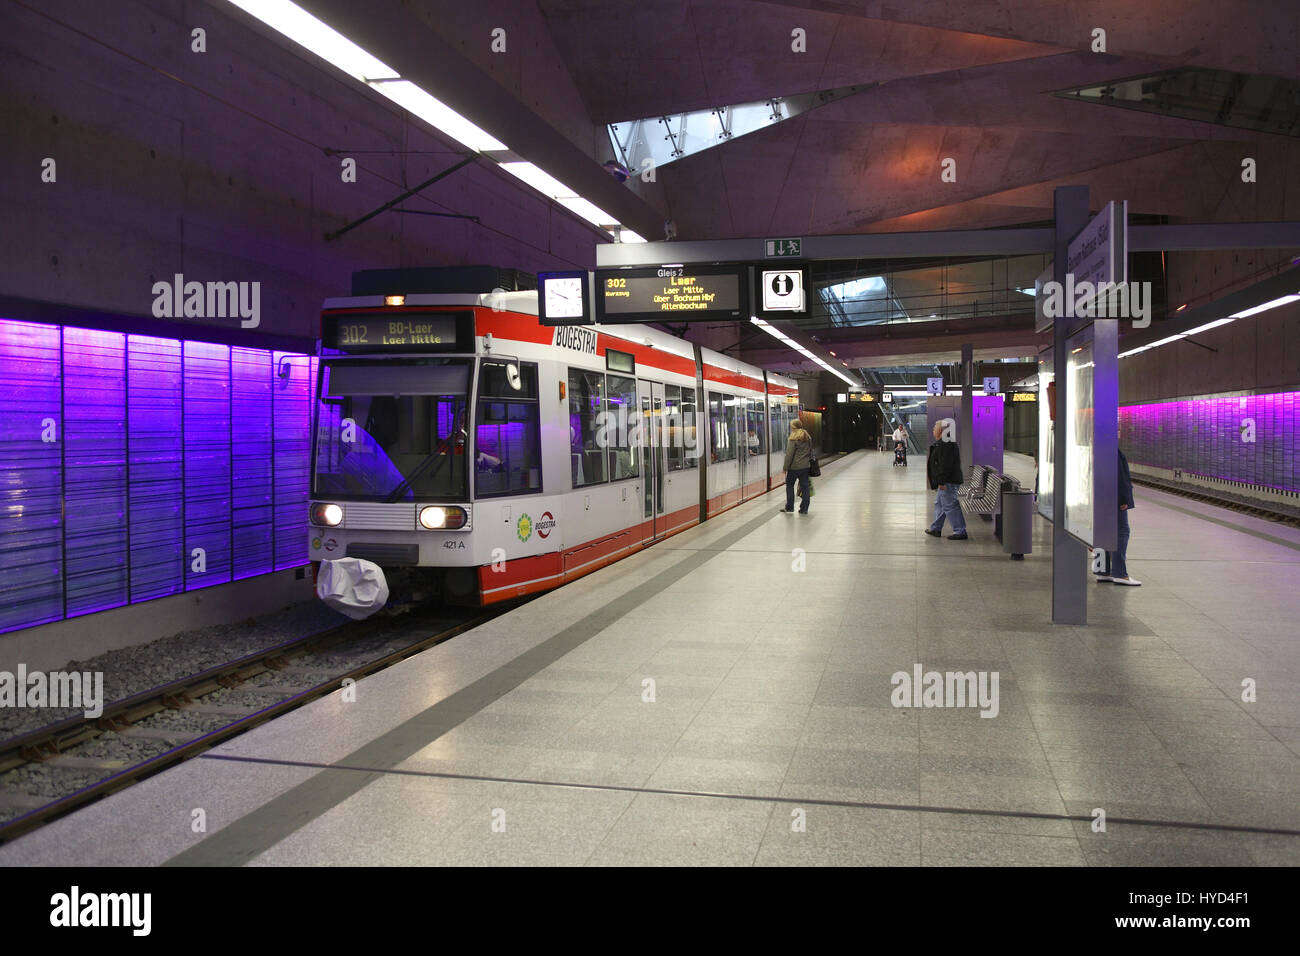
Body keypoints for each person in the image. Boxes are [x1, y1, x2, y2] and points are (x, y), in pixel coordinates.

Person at [1096, 449, 1140, 586]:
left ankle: (1103, 571)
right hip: (1114, 498)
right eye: (1117, 429)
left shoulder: (1099, 449)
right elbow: (1120, 477)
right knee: (1122, 531)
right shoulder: (1113, 451)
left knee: (1103, 531)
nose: (1119, 431)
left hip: (1101, 497)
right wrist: (1124, 499)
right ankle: (1120, 573)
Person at [923, 420, 967, 540]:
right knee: (940, 504)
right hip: (947, 480)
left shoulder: (946, 443)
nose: (933, 429)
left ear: (941, 430)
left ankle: (960, 530)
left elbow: (945, 464)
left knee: (950, 505)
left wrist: (941, 481)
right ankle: (936, 528)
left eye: (934, 427)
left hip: (948, 481)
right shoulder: (944, 442)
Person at [781, 419, 813, 514]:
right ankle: (804, 509)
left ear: (793, 427)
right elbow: (811, 451)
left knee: (790, 486)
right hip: (805, 466)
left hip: (794, 467)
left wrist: (785, 468)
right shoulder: (808, 437)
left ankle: (790, 507)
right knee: (805, 487)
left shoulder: (793, 438)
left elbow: (789, 455)